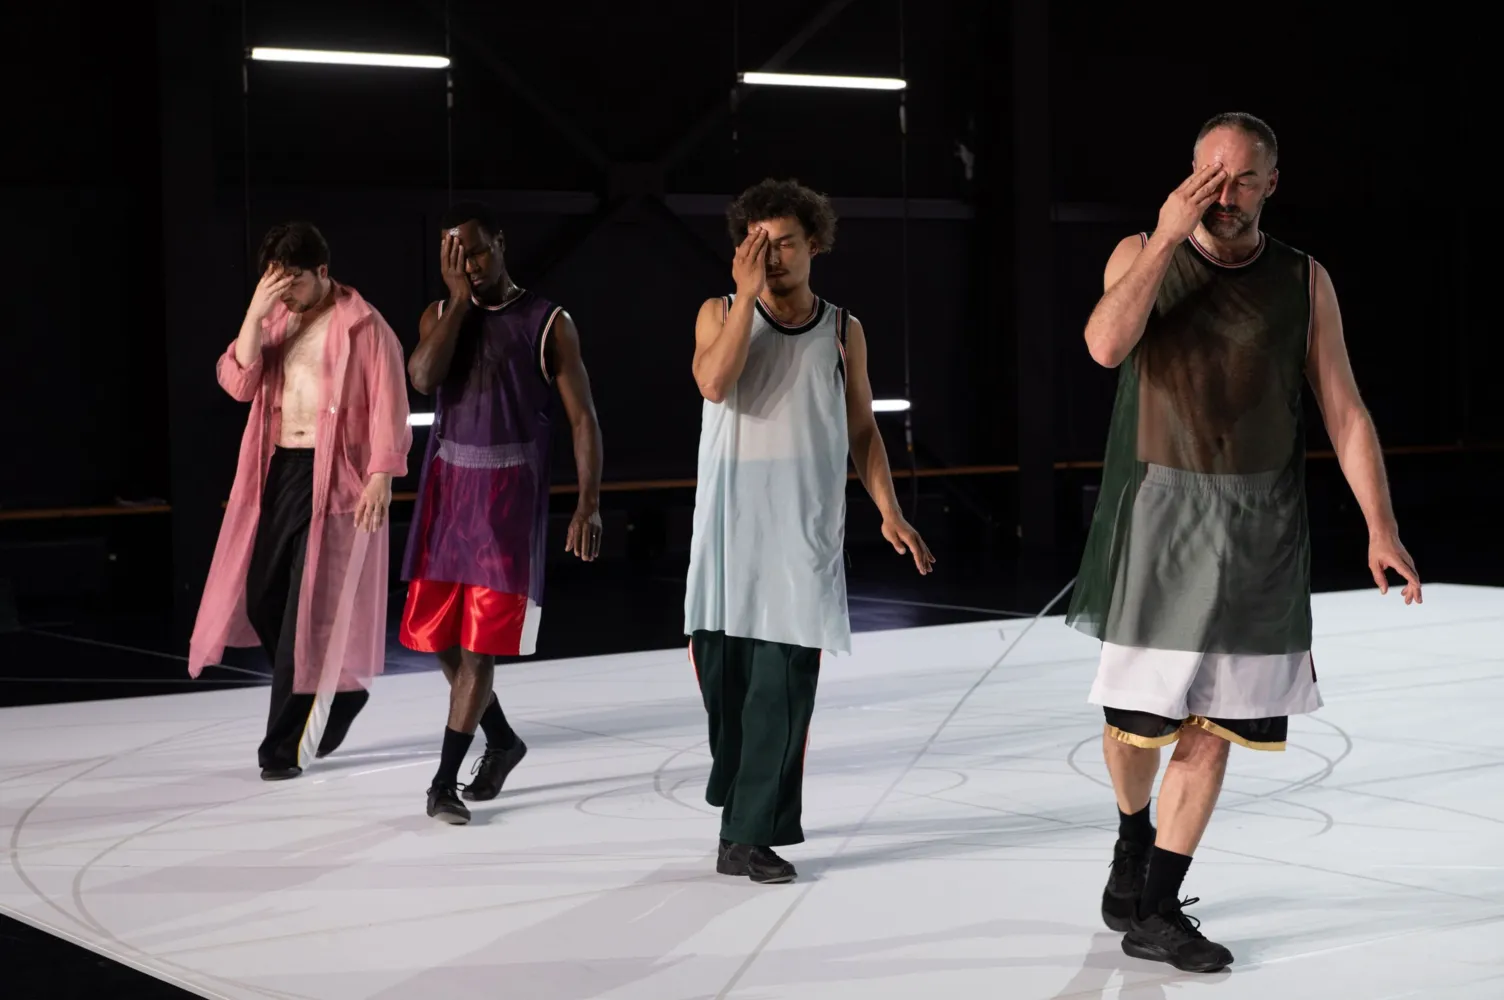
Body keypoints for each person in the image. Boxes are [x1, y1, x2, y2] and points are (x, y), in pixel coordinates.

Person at [1067, 113, 1423, 972]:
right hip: (1160, 517)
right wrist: (1166, 236)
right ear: (1190, 175)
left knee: (1218, 726)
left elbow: (1344, 409)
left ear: (1271, 184)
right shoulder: (1140, 253)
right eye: (1211, 177)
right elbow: (1104, 346)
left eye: (1242, 180)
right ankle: (1132, 835)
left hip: (1261, 525)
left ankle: (1158, 907)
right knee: (1134, 725)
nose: (1224, 196)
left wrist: (1381, 526)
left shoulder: (1303, 279)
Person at [685, 178, 935, 884]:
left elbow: (863, 429)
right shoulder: (717, 312)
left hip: (801, 534)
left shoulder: (842, 329)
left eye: (784, 243)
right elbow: (714, 383)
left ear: (815, 245)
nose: (771, 257)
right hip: (728, 537)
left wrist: (889, 509)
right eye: (757, 244)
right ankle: (741, 809)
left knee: (783, 690)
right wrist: (744, 299)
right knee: (727, 689)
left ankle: (750, 833)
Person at [402, 202, 604, 825]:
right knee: (439, 640)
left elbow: (582, 419)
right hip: (446, 499)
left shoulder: (549, 322)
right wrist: (458, 303)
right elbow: (422, 378)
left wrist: (589, 503)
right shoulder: (440, 315)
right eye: (455, 256)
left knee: (478, 648)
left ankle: (443, 784)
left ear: (500, 242)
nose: (470, 264)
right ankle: (504, 741)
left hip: (506, 505)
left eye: (477, 251)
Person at [190, 222, 412, 780]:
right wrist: (253, 313)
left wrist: (382, 475)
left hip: (336, 477)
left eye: (294, 282)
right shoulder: (276, 320)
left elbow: (391, 404)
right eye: (276, 284)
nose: (285, 294)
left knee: (303, 619)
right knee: (262, 598)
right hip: (278, 472)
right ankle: (341, 690)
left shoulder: (365, 325)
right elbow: (237, 383)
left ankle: (281, 749)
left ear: (322, 271)